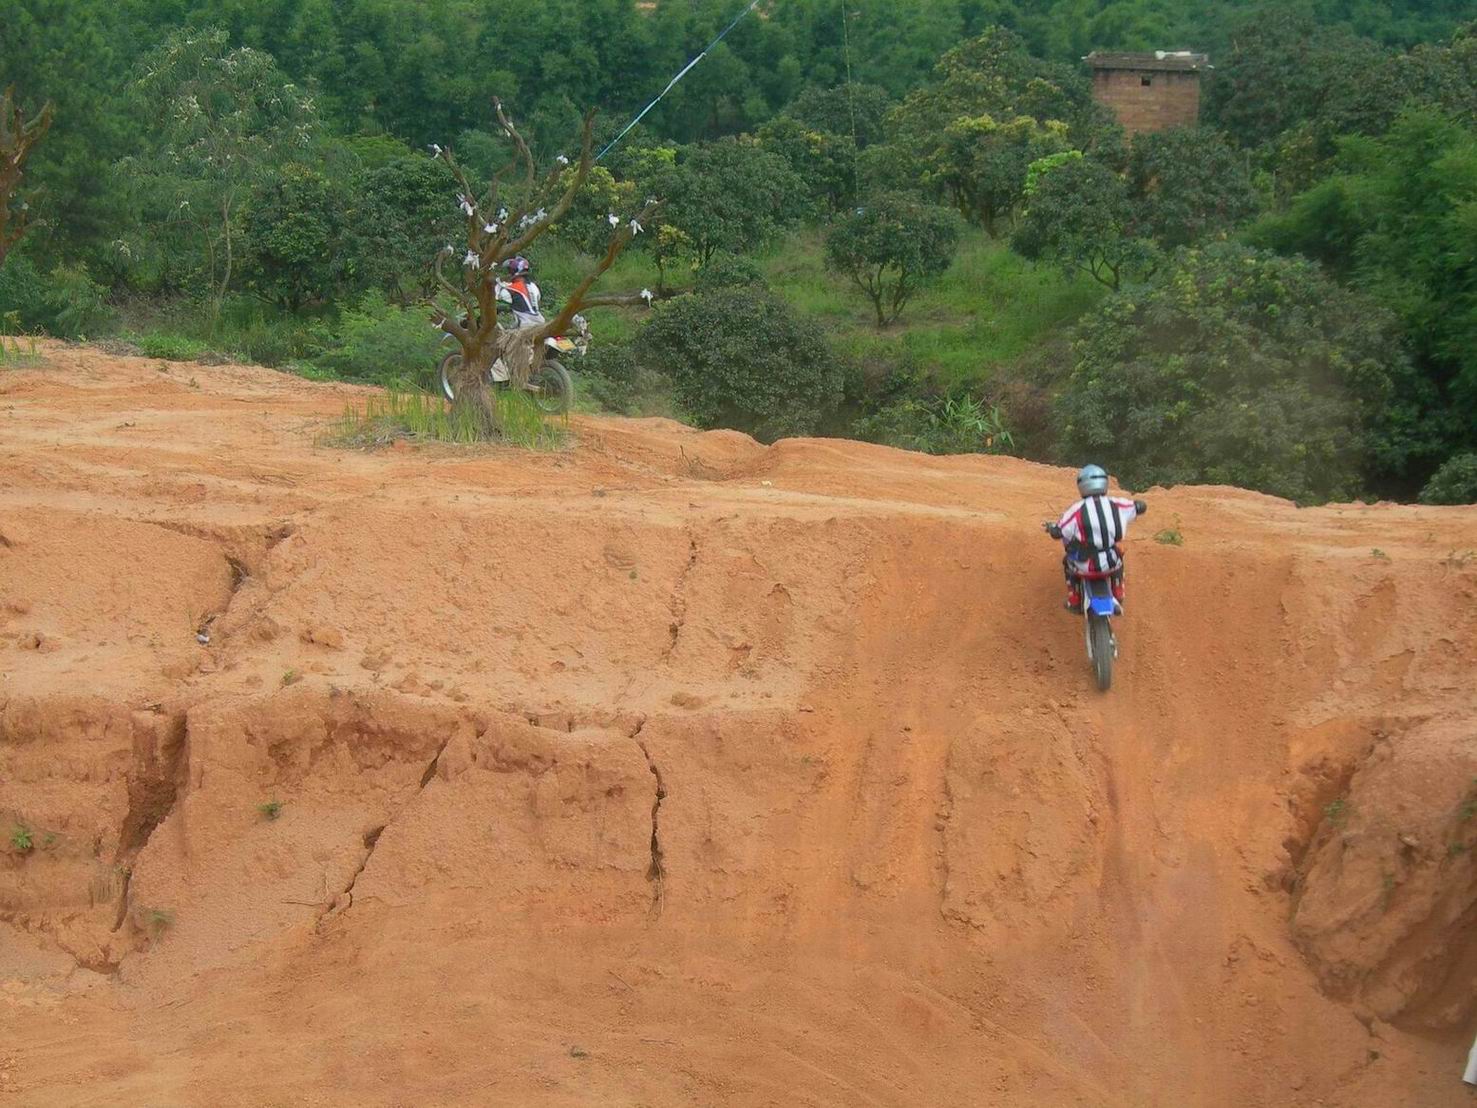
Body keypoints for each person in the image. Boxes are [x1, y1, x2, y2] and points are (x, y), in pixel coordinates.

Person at [1043, 464, 1147, 613]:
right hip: (1111, 562)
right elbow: (1140, 507)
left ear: (1082, 486)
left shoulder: (1076, 510)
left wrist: (1053, 529)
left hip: (1083, 566)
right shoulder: (1117, 504)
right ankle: (1118, 591)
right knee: (1119, 555)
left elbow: (1059, 531)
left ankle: (1074, 600)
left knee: (1067, 561)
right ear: (1104, 483)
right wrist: (1138, 506)